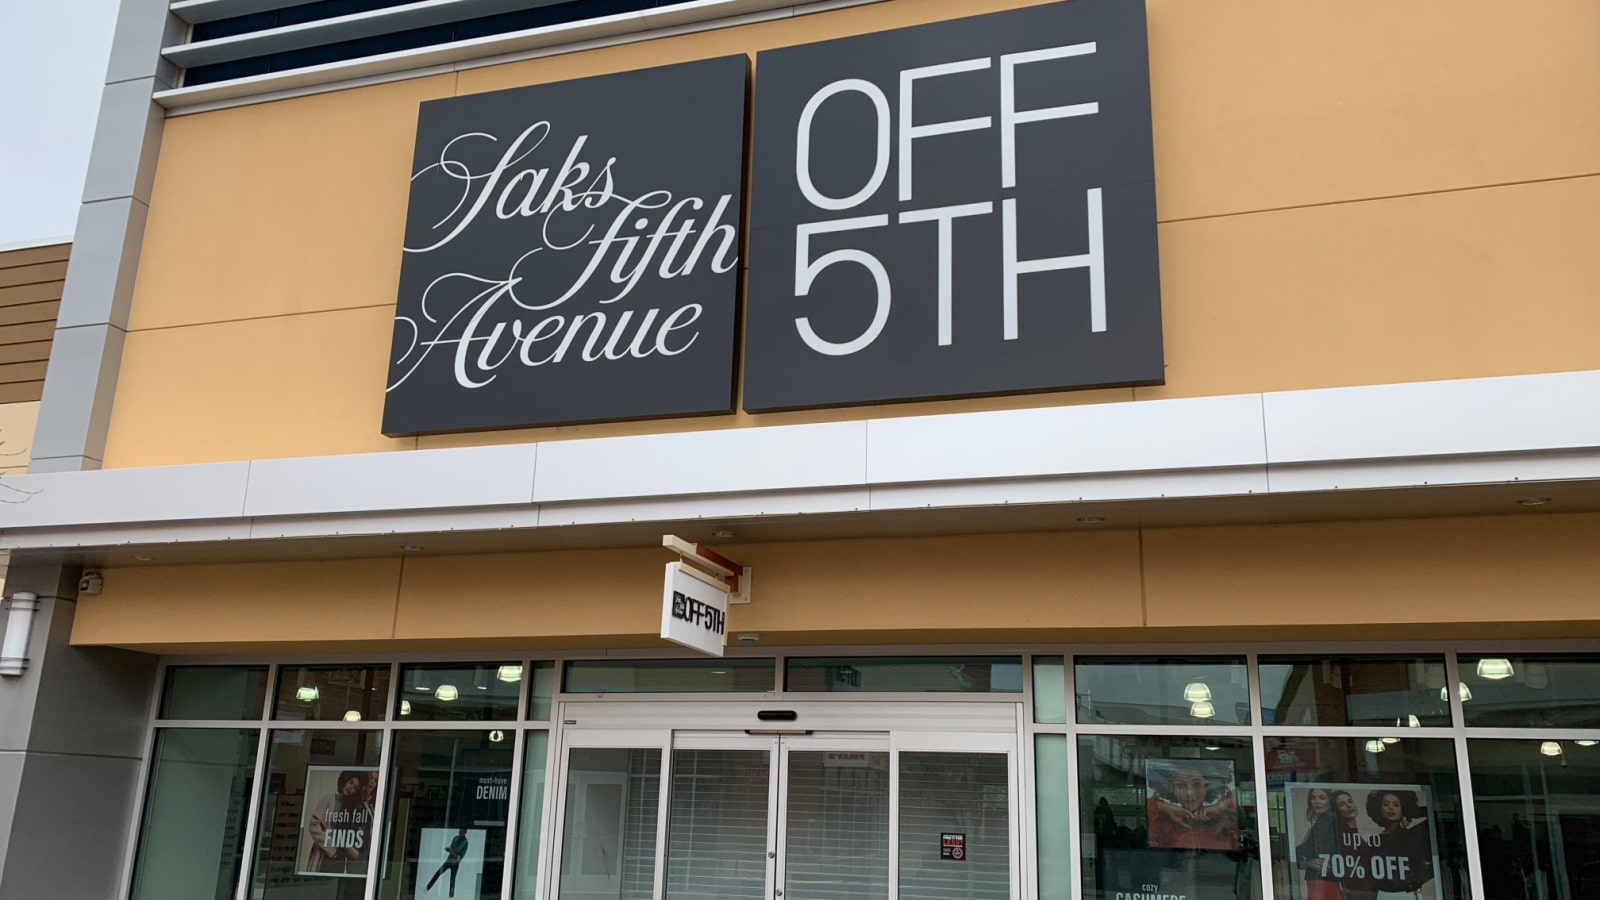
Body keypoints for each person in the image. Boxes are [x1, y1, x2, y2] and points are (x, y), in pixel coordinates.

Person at [1146, 764, 1237, 850]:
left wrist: (1220, 808)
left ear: (1208, 788)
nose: (1189, 793)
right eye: (1181, 785)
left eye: (1197, 784)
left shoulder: (1222, 817)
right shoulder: (1163, 819)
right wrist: (1162, 807)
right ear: (1171, 789)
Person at [1364, 790, 1434, 899]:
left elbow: (1432, 814)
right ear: (1378, 809)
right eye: (1386, 804)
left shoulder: (1413, 835)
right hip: (1385, 894)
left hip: (1410, 893)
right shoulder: (1375, 840)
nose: (1391, 808)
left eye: (1396, 805)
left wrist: (1413, 812)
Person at [305, 770, 370, 875]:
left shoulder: (352, 807)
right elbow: (314, 826)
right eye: (350, 783)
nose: (351, 788)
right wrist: (331, 849)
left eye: (355, 788)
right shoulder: (328, 799)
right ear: (344, 780)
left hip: (339, 858)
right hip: (323, 852)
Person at [1295, 788, 1343, 900]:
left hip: (1324, 880)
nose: (1317, 801)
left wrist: (1307, 863)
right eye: (1313, 798)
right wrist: (1307, 863)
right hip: (1319, 879)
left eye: (1322, 798)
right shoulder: (1318, 825)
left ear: (1330, 803)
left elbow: (1301, 851)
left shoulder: (1329, 824)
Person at [425, 827, 471, 897]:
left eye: (461, 832)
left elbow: (458, 856)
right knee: (438, 873)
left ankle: (451, 896)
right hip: (449, 860)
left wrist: (451, 851)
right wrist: (450, 850)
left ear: (465, 832)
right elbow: (452, 847)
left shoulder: (465, 843)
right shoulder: (455, 838)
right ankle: (428, 887)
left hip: (455, 863)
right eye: (459, 831)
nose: (460, 833)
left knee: (452, 880)